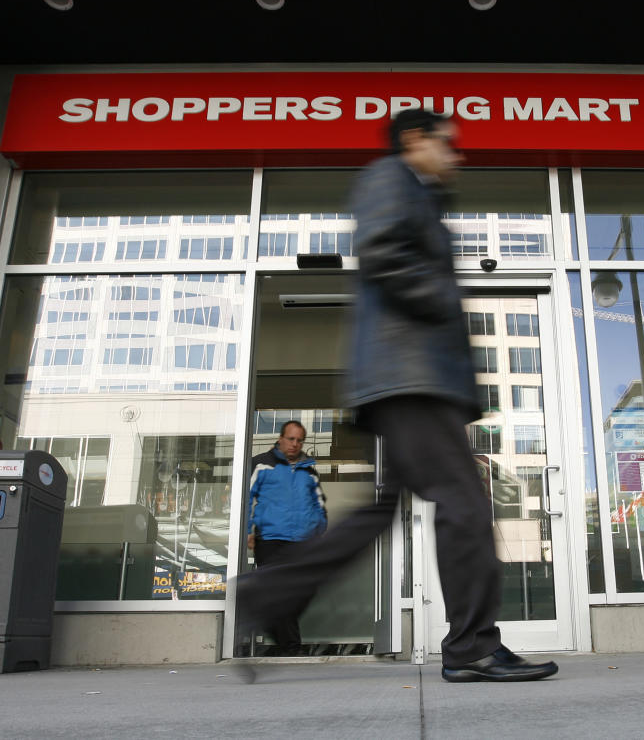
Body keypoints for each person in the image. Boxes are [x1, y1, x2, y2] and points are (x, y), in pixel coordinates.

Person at [238, 109, 558, 683]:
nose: (457, 157)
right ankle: (472, 647)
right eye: (449, 145)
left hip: (411, 377)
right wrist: (442, 302)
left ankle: (267, 593)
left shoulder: (421, 195)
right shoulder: (391, 175)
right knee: (465, 505)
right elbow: (384, 250)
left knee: (388, 508)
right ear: (415, 139)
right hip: (410, 375)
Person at [245, 420, 326, 655]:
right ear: (280, 439)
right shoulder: (260, 464)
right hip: (269, 539)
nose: (295, 444)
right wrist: (248, 532)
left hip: (300, 543)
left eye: (299, 440)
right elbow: (246, 499)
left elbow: (318, 506)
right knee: (275, 593)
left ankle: (287, 645)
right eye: (291, 439)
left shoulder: (308, 470)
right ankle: (291, 647)